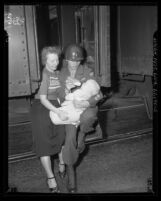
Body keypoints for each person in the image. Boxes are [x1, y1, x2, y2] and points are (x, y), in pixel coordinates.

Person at [58, 44, 103, 193]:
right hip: (70, 109)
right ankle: (71, 173)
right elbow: (55, 95)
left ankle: (82, 135)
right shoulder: (61, 73)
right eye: (71, 60)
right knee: (70, 139)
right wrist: (64, 92)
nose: (75, 63)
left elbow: (99, 95)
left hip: (86, 108)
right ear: (66, 59)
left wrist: (87, 102)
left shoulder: (88, 71)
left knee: (89, 117)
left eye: (78, 60)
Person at [30, 46, 68, 193]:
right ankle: (50, 177)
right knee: (44, 142)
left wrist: (68, 88)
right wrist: (59, 111)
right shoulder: (43, 74)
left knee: (61, 136)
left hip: (55, 105)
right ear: (45, 61)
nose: (55, 62)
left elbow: (61, 95)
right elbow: (44, 99)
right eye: (51, 60)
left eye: (57, 59)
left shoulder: (58, 73)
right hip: (41, 107)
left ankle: (62, 163)